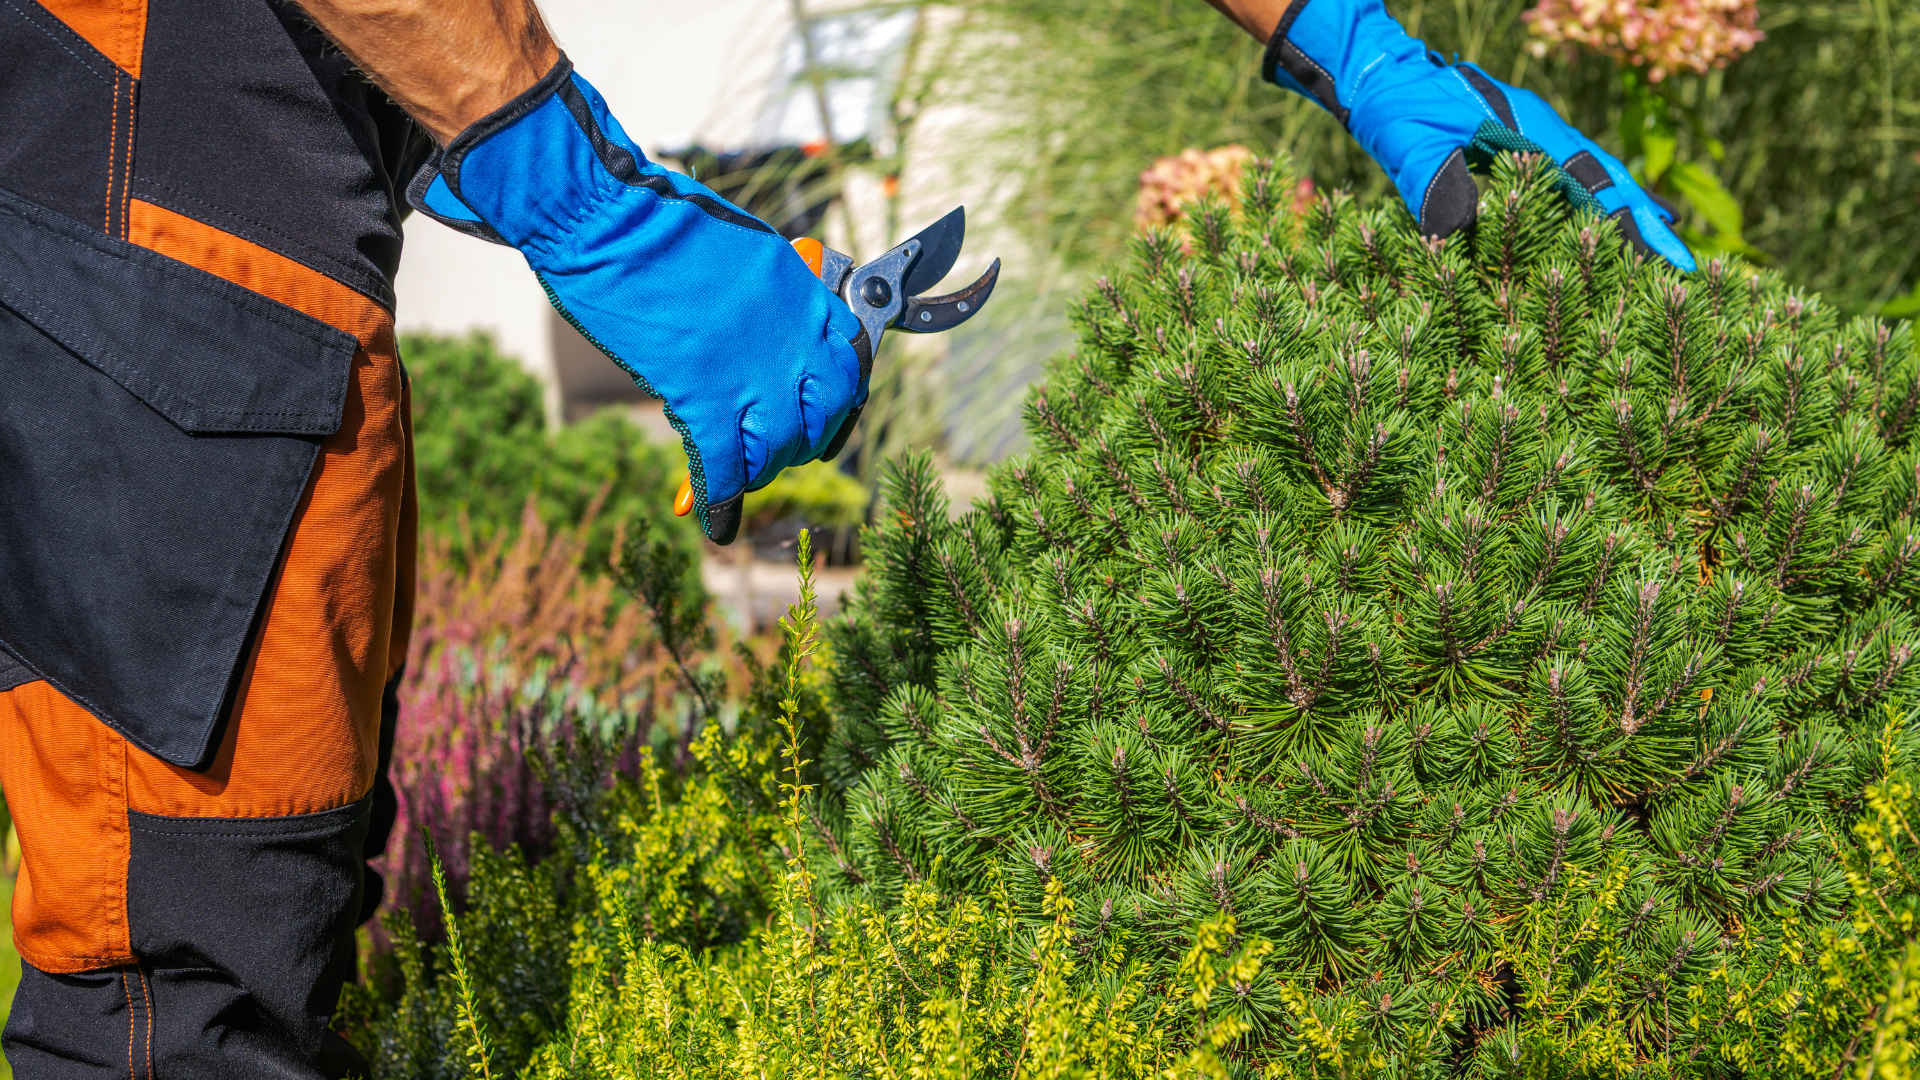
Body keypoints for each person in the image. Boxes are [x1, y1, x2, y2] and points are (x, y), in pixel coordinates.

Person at [0, 0, 1692, 1072]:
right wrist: (568, 185)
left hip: (262, 148)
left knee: (263, 932)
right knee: (181, 984)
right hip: (157, 121)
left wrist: (1350, 43)